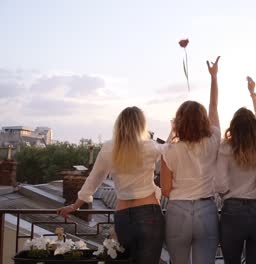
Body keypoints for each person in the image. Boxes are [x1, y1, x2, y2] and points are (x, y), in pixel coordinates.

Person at [57, 106, 167, 263]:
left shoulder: (109, 147)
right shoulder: (150, 146)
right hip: (149, 213)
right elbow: (170, 155)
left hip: (123, 216)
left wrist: (75, 205)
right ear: (142, 125)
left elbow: (94, 179)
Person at [160, 56, 221, 264]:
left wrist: (174, 128)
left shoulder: (169, 150)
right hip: (206, 210)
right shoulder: (213, 141)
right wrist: (214, 78)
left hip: (178, 210)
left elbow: (166, 189)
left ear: (178, 121)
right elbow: (214, 107)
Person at [215, 76, 256, 264]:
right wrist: (253, 94)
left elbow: (220, 183)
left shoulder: (225, 147)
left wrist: (229, 194)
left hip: (232, 212)